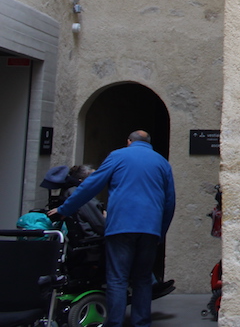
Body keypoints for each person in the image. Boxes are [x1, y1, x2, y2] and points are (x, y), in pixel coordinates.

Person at [49, 130, 175, 327]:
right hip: (150, 229)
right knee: (142, 279)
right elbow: (169, 203)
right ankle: (141, 323)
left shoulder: (117, 156)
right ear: (149, 143)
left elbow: (90, 186)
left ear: (129, 141)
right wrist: (161, 232)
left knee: (117, 278)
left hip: (121, 227)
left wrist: (65, 209)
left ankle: (115, 323)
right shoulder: (162, 163)